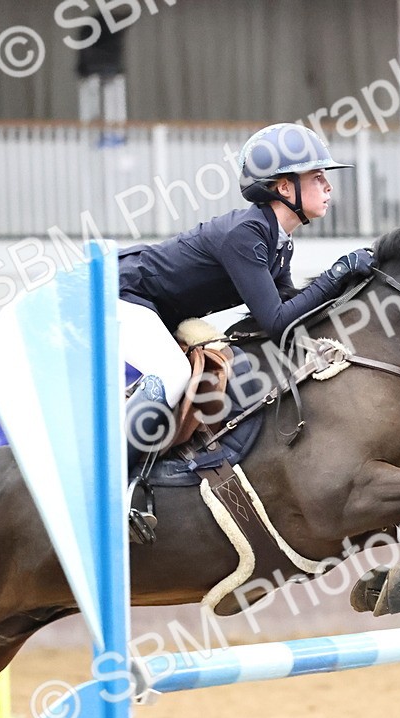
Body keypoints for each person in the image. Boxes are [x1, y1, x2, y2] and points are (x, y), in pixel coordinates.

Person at [118, 123, 375, 468]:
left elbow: (289, 317)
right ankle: (113, 479)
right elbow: (276, 322)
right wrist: (338, 272)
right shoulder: (246, 234)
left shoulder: (278, 244)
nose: (328, 186)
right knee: (174, 373)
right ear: (285, 187)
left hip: (154, 310)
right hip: (121, 294)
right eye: (317, 177)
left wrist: (345, 289)